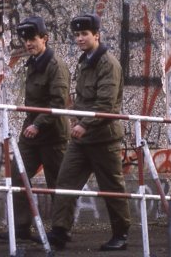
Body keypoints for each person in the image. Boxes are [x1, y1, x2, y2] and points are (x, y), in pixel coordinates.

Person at [47, 13, 131, 251]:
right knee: (65, 181)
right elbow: (84, 100)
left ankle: (121, 234)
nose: (80, 38)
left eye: (84, 34)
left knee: (112, 188)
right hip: (82, 138)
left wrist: (83, 124)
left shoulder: (108, 63)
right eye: (77, 35)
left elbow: (105, 104)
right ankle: (60, 231)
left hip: (103, 137)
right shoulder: (85, 61)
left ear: (97, 35)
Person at [0, 15, 69, 243]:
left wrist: (37, 125)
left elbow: (58, 103)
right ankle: (21, 227)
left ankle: (61, 231)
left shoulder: (55, 66)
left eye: (33, 39)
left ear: (45, 38)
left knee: (57, 183)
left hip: (51, 134)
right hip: (31, 132)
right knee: (19, 176)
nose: (28, 44)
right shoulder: (33, 64)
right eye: (26, 40)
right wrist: (32, 126)